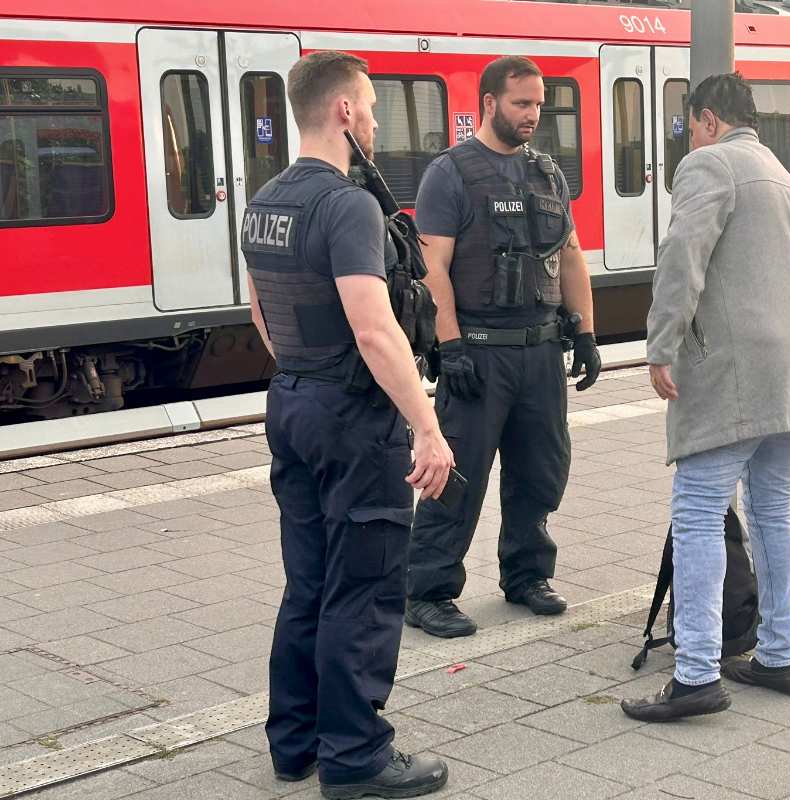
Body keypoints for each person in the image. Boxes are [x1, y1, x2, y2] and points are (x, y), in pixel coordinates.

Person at [242, 51, 455, 798]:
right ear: (342, 113)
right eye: (368, 107)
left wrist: (304, 370)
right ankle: (357, 757)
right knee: (361, 586)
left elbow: (262, 316)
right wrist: (426, 426)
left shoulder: (263, 200)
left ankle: (295, 744)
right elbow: (375, 330)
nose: (372, 119)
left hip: (292, 401)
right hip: (353, 419)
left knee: (307, 582)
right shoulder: (348, 205)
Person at [621, 73, 790, 723]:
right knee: (772, 510)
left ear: (709, 119)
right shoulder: (784, 177)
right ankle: (778, 654)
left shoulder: (709, 164)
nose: (689, 138)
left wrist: (661, 344)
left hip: (736, 370)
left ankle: (695, 675)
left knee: (696, 510)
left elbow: (682, 256)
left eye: (690, 125)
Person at [405, 56, 601, 638]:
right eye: (522, 103)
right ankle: (429, 589)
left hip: (540, 351)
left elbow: (570, 255)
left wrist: (586, 331)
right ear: (488, 103)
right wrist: (451, 345)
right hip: (480, 355)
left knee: (540, 470)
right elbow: (432, 267)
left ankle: (527, 575)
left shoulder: (547, 173)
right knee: (457, 477)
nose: (533, 114)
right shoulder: (451, 173)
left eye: (539, 103)